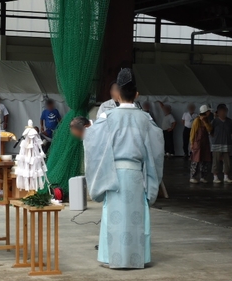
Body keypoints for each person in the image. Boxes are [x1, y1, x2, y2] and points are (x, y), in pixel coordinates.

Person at [83, 68, 164, 269]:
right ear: (136, 94)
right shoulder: (146, 119)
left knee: (114, 216)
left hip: (114, 175)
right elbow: (156, 147)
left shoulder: (107, 118)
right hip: (136, 175)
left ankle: (112, 258)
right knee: (136, 216)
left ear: (117, 94)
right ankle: (137, 258)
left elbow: (92, 141)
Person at [189, 105, 213, 183]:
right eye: (208, 111)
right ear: (205, 112)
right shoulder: (197, 120)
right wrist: (192, 143)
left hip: (205, 143)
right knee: (195, 160)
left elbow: (210, 129)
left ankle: (203, 177)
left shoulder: (207, 120)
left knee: (205, 160)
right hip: (197, 143)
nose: (210, 112)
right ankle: (193, 176)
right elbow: (193, 132)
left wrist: (205, 122)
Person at [211, 104, 232, 184]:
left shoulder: (229, 121)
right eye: (222, 111)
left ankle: (226, 176)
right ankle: (215, 176)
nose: (223, 113)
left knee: (227, 161)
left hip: (227, 144)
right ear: (218, 112)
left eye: (225, 111)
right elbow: (211, 132)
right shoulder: (215, 121)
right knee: (216, 161)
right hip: (216, 143)